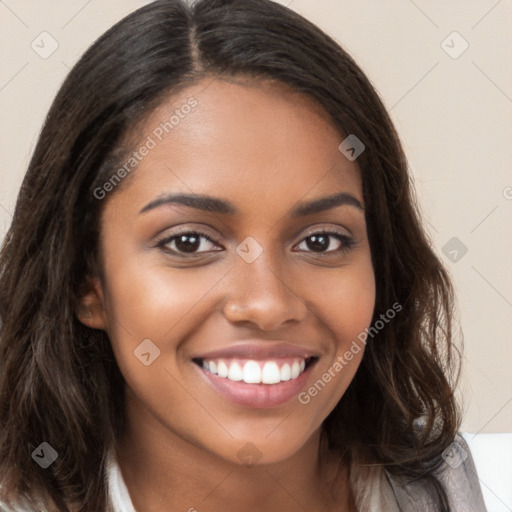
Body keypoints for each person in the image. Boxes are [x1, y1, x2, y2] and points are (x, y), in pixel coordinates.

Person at [0, 0, 488, 511]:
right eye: (188, 242)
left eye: (320, 241)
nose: (267, 303)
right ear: (86, 280)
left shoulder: (437, 485)